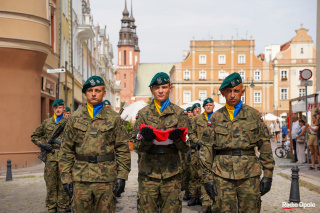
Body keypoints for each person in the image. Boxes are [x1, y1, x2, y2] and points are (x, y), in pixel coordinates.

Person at [199, 73, 274, 213]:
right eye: (229, 91)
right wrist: (207, 179)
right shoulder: (215, 118)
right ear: (222, 93)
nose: (232, 95)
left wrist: (268, 175)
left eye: (236, 91)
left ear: (242, 91)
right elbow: (206, 150)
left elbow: (265, 146)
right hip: (222, 175)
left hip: (249, 175)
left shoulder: (254, 115)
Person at [59, 76, 131, 212]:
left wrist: (122, 177)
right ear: (85, 93)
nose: (93, 93)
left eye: (97, 90)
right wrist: (66, 177)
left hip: (106, 179)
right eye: (90, 90)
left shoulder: (113, 118)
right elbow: (66, 150)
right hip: (80, 179)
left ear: (104, 93)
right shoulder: (74, 117)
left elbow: (122, 149)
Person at [132, 72, 192, 213]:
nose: (160, 91)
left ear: (170, 89)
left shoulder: (180, 114)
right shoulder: (143, 114)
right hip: (148, 175)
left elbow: (187, 148)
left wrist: (178, 139)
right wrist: (146, 140)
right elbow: (136, 146)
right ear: (151, 90)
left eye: (164, 87)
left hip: (172, 174)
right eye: (157, 87)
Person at [31, 99, 70, 213]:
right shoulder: (46, 123)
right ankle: (51, 209)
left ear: (63, 109)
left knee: (64, 186)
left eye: (60, 107)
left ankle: (63, 209)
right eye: (56, 108)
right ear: (53, 109)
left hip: (64, 159)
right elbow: (34, 136)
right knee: (51, 186)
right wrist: (43, 144)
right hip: (50, 159)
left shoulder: (68, 122)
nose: (58, 109)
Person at [190, 98, 215, 212]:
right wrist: (197, 141)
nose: (209, 107)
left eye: (210, 105)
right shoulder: (198, 119)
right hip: (200, 151)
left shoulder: (218, 118)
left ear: (213, 106)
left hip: (214, 152)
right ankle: (205, 203)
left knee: (215, 177)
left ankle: (214, 202)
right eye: (207, 105)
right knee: (202, 176)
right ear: (204, 107)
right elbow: (191, 133)